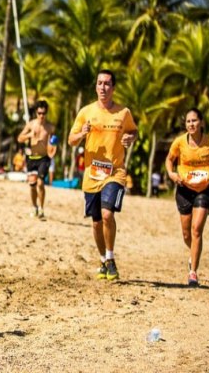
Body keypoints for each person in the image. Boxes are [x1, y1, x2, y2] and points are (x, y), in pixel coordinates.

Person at [68, 69, 137, 281]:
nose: (103, 87)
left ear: (113, 88)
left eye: (107, 84)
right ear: (95, 86)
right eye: (99, 83)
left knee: (108, 214)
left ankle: (110, 257)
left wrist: (129, 137)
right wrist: (83, 133)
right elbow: (71, 140)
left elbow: (133, 131)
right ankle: (102, 259)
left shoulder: (123, 113)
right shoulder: (86, 112)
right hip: (92, 175)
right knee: (97, 222)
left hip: (115, 172)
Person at [165, 108, 209, 287]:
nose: (191, 124)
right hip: (184, 189)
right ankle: (194, 254)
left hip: (204, 189)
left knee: (197, 229)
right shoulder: (179, 142)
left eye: (194, 121)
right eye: (188, 121)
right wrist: (171, 174)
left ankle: (193, 272)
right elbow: (169, 160)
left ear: (201, 122)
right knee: (186, 233)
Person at [17, 100, 57, 219]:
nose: (41, 116)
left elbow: (53, 142)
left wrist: (53, 150)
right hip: (31, 157)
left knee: (40, 183)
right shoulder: (31, 124)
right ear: (36, 112)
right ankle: (34, 207)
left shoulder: (50, 127)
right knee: (32, 184)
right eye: (39, 113)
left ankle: (41, 208)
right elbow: (19, 138)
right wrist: (29, 135)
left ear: (46, 113)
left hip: (44, 158)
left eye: (43, 113)